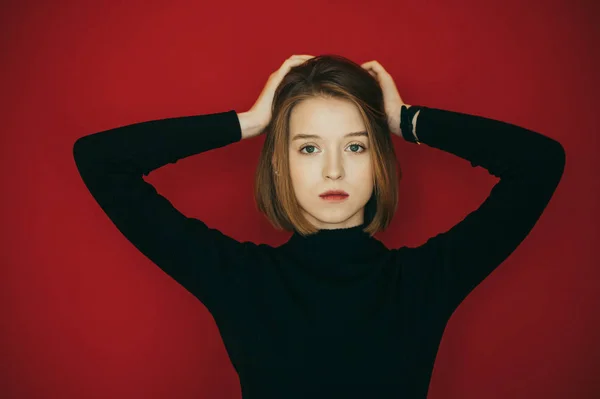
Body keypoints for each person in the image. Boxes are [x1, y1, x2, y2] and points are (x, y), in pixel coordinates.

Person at [72, 54, 565, 398]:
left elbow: (540, 162)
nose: (334, 170)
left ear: (379, 162)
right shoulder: (239, 279)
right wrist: (249, 122)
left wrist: (404, 119)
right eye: (308, 147)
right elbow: (100, 160)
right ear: (279, 163)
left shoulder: (423, 281)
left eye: (355, 146)